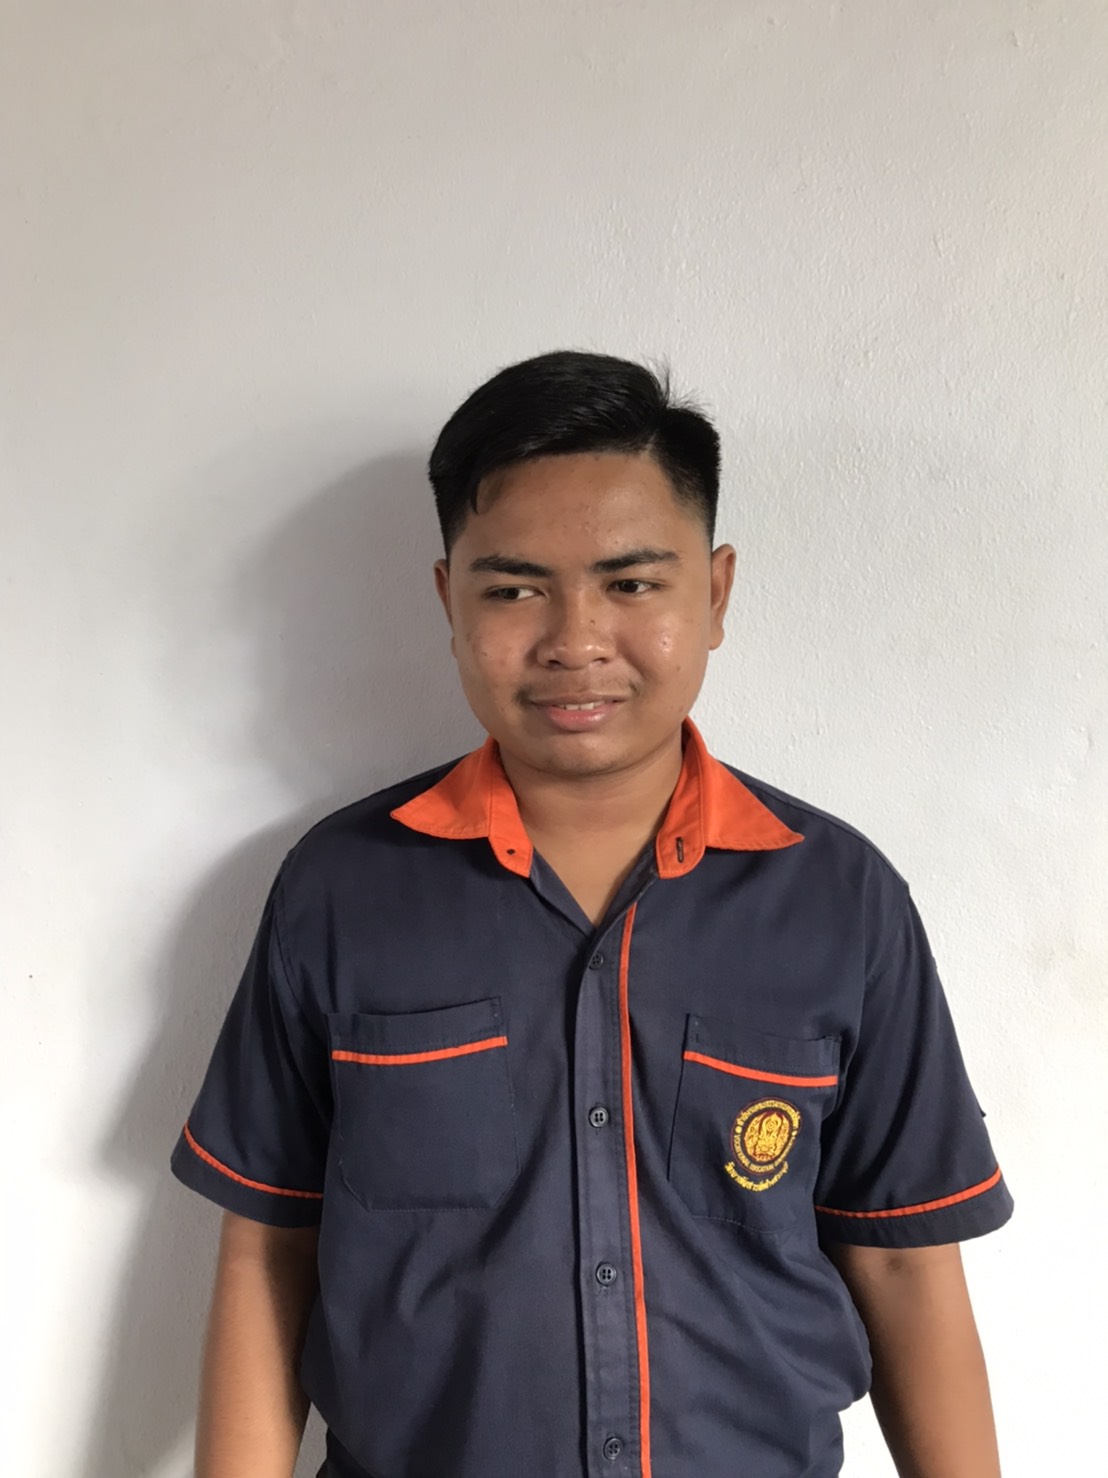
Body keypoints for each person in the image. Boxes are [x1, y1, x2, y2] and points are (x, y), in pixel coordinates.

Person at [172, 351, 1013, 1478]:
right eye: (514, 589)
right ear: (449, 600)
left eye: (630, 583)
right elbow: (268, 1251)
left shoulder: (840, 900)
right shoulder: (340, 889)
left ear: (714, 593)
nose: (575, 639)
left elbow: (906, 1264)